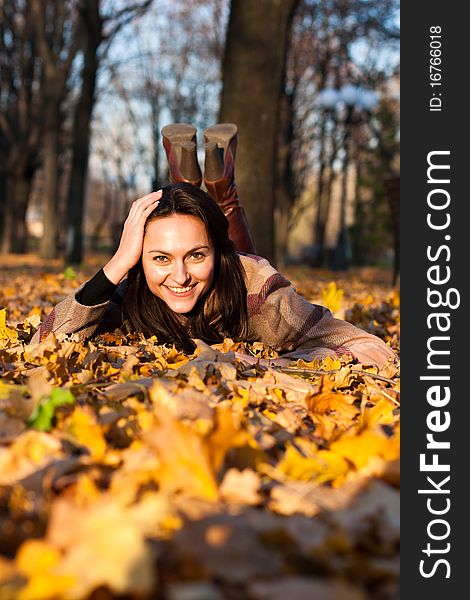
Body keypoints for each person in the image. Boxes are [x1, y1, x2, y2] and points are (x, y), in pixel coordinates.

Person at [32, 123, 396, 370]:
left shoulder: (263, 295)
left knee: (239, 255)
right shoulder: (132, 287)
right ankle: (212, 189)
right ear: (139, 260)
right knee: (201, 233)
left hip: (238, 273)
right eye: (160, 258)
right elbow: (41, 346)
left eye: (196, 255)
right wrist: (116, 266)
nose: (180, 277)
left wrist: (265, 367)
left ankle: (204, 190)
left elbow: (371, 348)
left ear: (215, 255)